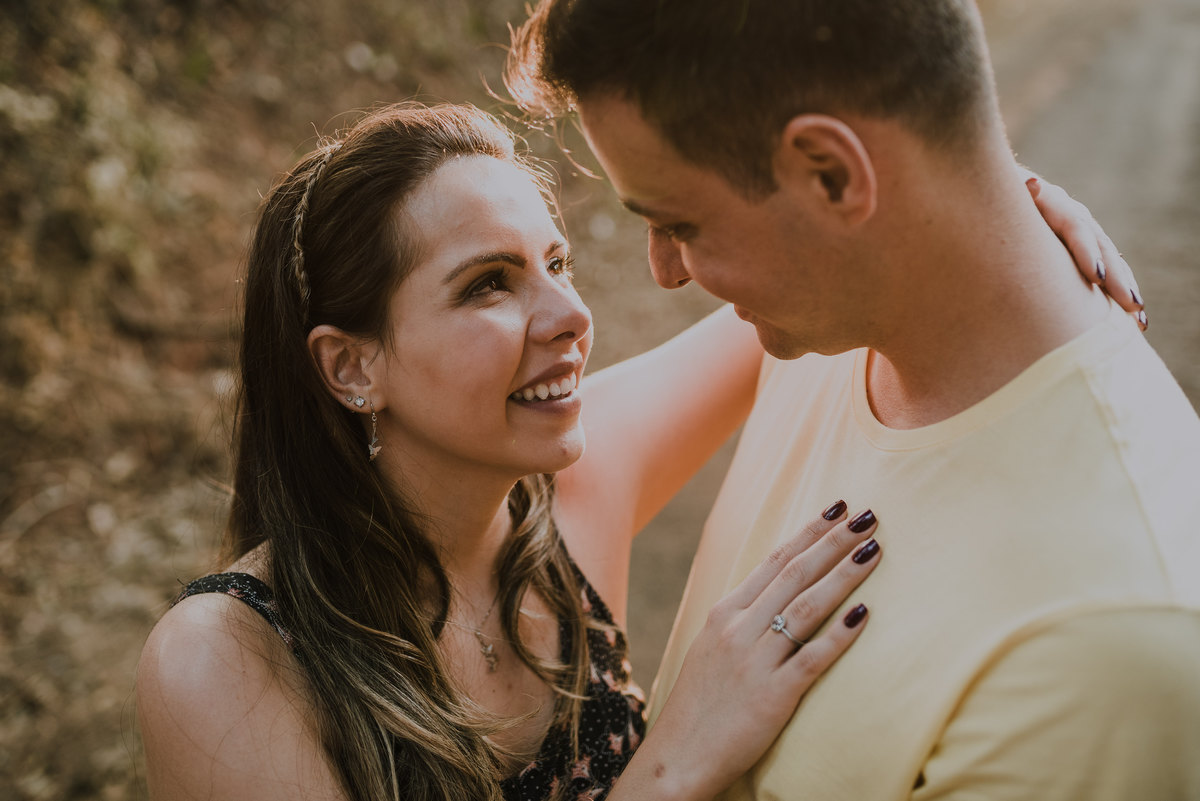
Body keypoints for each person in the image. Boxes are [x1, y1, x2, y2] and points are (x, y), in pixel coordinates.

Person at [136, 105, 1137, 800]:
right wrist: (676, 759)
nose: (570, 315)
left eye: (556, 263)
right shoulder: (229, 663)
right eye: (489, 284)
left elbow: (807, 289)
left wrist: (982, 204)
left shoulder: (574, 487)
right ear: (352, 365)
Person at [506, 1, 1200, 800]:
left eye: (681, 222)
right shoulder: (831, 315)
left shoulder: (1104, 649)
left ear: (833, 174)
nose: (666, 271)